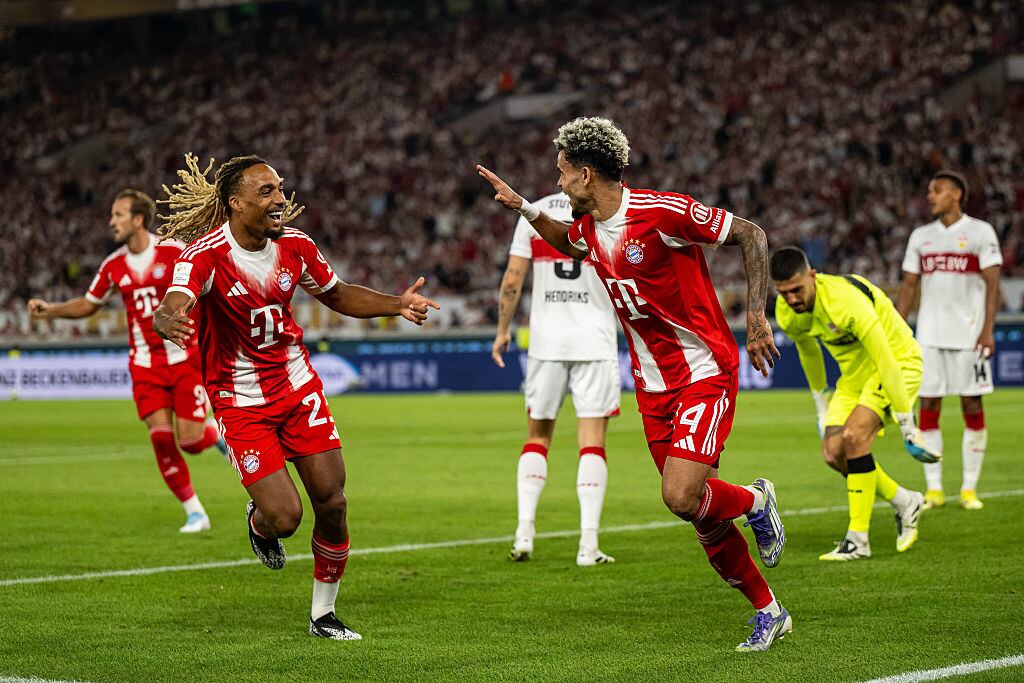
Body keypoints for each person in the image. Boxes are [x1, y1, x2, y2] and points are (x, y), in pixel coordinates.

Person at [479, 116, 790, 652]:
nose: (557, 183)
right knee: (699, 511)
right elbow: (566, 242)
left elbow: (751, 234)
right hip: (652, 385)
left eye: (561, 173)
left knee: (680, 495)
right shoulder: (588, 228)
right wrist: (525, 208)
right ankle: (770, 612)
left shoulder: (660, 213)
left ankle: (757, 501)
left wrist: (758, 318)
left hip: (703, 371)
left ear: (585, 174)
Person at [152, 153, 439, 641]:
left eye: (280, 189)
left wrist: (396, 303)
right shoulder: (203, 255)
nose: (280, 199)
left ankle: (323, 615)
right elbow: (175, 300)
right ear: (235, 203)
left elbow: (338, 294)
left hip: (297, 386)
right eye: (266, 192)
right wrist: (167, 317)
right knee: (286, 518)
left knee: (333, 502)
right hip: (240, 400)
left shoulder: (296, 245)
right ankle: (261, 524)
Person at [27, 188, 223, 534]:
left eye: (118, 215)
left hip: (184, 358)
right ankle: (195, 512)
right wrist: (51, 310)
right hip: (145, 364)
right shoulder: (113, 265)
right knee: (161, 438)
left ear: (138, 219)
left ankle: (214, 434)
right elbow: (89, 304)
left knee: (191, 442)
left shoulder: (173, 251)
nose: (111, 221)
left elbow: (205, 283)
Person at [772, 246, 937, 561]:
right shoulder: (787, 312)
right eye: (784, 292)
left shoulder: (845, 301)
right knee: (833, 452)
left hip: (898, 363)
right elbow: (809, 353)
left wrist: (908, 425)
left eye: (797, 289)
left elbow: (886, 361)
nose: (791, 299)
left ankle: (858, 540)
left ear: (813, 276)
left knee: (854, 437)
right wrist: (821, 408)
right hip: (854, 377)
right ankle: (906, 501)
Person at [493, 190, 620, 567]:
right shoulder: (604, 209)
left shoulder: (534, 213)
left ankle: (524, 533)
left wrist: (503, 329)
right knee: (592, 441)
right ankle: (588, 545)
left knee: (537, 436)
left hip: (546, 341)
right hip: (594, 339)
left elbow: (513, 280)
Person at [896, 170, 1002, 511]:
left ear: (956, 194)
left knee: (972, 405)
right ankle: (935, 489)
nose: (930, 196)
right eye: (930, 190)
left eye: (937, 190)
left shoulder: (980, 232)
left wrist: (987, 329)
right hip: (929, 337)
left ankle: (969, 488)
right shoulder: (921, 236)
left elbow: (993, 284)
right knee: (928, 407)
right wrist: (897, 328)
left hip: (969, 337)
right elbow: (909, 285)